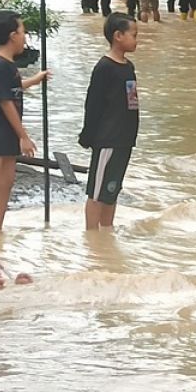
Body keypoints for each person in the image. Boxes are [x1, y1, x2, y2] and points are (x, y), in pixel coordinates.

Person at [0, 10, 50, 231]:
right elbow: (6, 102)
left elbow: (12, 89)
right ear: (13, 35)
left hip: (5, 133)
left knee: (5, 184)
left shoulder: (7, 65)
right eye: (23, 32)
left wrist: (33, 80)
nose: (25, 37)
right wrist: (24, 136)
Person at [78, 13, 140, 230]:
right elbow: (92, 104)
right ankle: (91, 235)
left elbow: (132, 103)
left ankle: (106, 234)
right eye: (133, 35)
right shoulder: (104, 68)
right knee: (97, 191)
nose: (136, 39)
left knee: (112, 190)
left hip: (124, 139)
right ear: (118, 36)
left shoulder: (128, 67)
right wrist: (88, 135)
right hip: (107, 139)